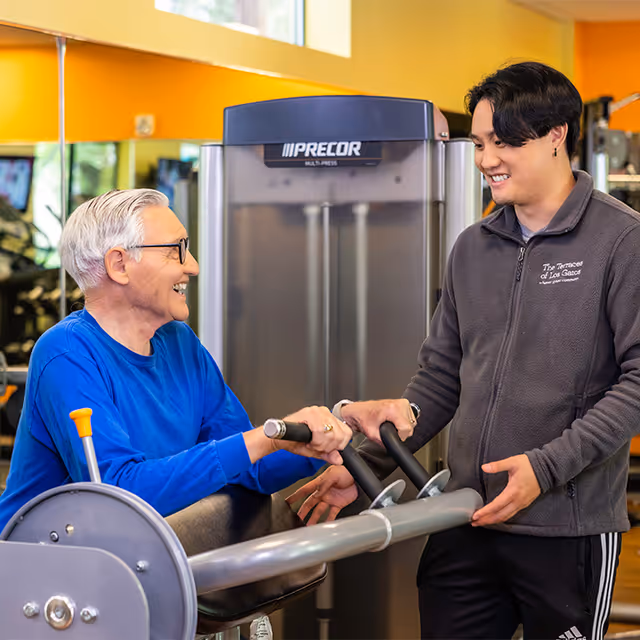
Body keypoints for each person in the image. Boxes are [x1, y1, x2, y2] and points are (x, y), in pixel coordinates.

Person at [288, 61, 640, 640]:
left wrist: (544, 469)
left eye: (505, 142)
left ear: (557, 136)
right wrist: (372, 464)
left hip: (565, 527)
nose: (486, 160)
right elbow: (441, 378)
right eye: (480, 143)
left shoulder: (621, 241)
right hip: (463, 517)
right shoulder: (474, 246)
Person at [0, 188, 367, 531]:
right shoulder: (66, 352)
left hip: (137, 556)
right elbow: (120, 493)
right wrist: (266, 439)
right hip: (45, 565)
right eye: (176, 250)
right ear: (119, 265)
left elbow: (247, 469)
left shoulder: (180, 344)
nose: (192, 266)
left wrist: (332, 427)